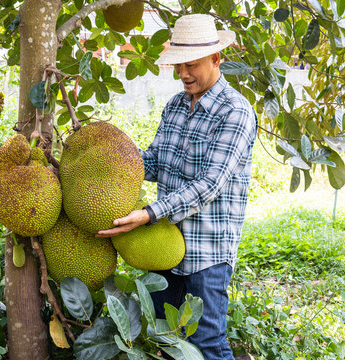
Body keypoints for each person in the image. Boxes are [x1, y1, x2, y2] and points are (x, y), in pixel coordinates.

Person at [97, 14, 258, 360]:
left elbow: (209, 184)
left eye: (192, 65)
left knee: (208, 341)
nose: (183, 74)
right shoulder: (174, 106)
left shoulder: (236, 112)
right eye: (179, 66)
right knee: (161, 335)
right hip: (165, 247)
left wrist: (148, 213)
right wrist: (109, 161)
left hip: (207, 251)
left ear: (216, 60)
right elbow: (155, 161)